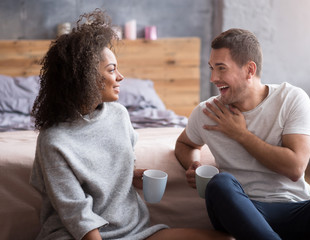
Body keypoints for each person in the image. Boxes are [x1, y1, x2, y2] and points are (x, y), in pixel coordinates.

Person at [30, 9, 233, 240]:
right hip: (77, 236)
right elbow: (78, 216)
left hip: (134, 232)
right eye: (111, 69)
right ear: (85, 77)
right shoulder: (54, 140)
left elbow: (108, 170)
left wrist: (130, 175)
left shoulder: (119, 115)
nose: (120, 77)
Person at [175, 28, 310, 240]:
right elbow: (184, 144)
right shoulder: (207, 112)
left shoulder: (291, 99)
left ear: (249, 70)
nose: (213, 78)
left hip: (298, 208)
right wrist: (194, 164)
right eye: (211, 68)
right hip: (244, 210)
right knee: (220, 184)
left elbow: (295, 167)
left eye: (221, 68)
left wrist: (241, 134)